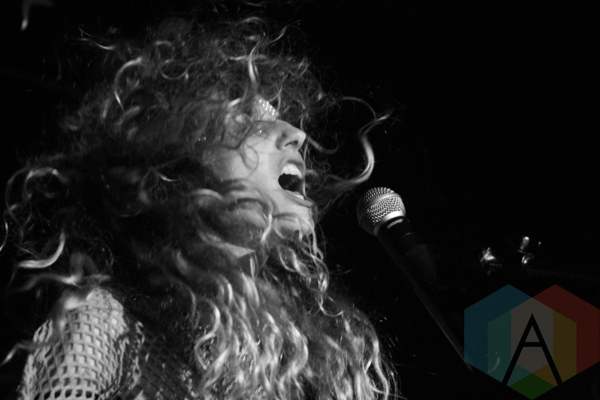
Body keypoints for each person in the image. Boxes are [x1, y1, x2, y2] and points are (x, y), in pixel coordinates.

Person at [2, 15, 397, 400]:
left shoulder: (291, 362)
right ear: (177, 170)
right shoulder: (106, 324)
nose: (296, 134)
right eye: (250, 119)